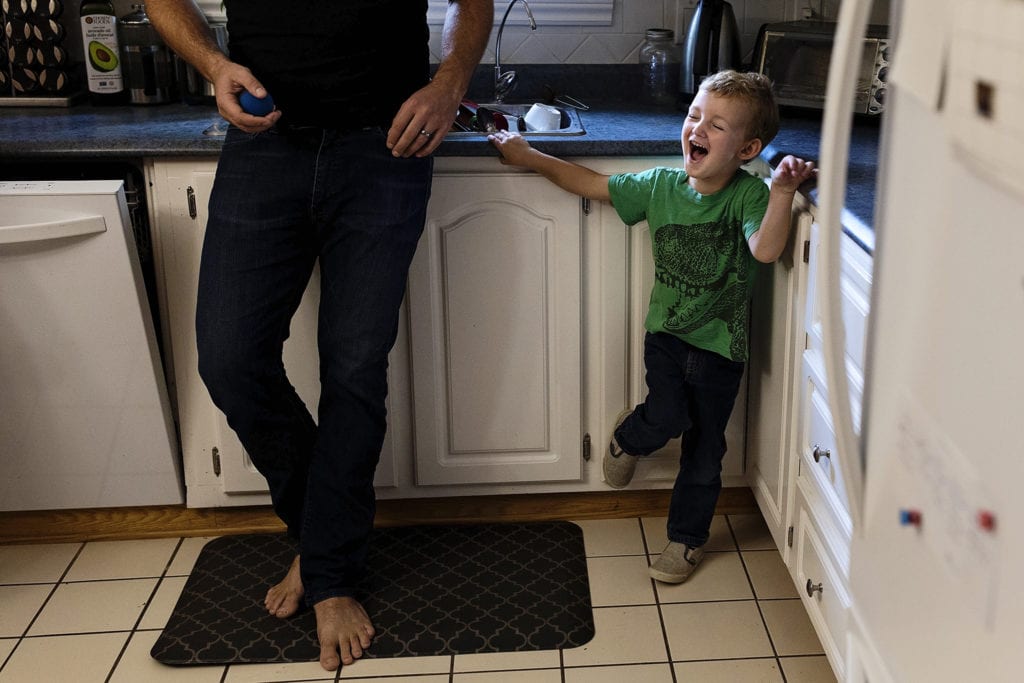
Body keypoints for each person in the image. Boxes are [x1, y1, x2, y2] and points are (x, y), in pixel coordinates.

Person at [146, 0, 492, 671]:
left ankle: (330, 573)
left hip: (386, 143)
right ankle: (326, 535)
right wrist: (212, 62)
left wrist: (449, 86)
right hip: (263, 143)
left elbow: (472, 2)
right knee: (229, 357)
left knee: (355, 366)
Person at [489, 70, 815, 585]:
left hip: (722, 350)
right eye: (694, 117)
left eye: (717, 125)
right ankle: (629, 438)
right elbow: (592, 185)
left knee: (706, 450)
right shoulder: (660, 185)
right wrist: (528, 156)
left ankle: (686, 540)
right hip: (665, 337)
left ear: (748, 148)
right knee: (666, 416)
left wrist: (781, 191)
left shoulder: (749, 197)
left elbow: (768, 250)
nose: (697, 130)